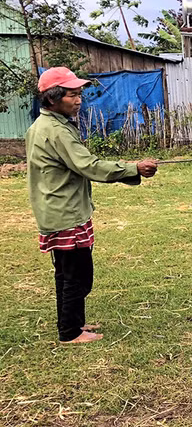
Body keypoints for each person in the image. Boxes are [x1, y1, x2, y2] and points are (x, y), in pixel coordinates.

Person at [25, 67, 158, 344]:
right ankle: (70, 333)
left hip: (58, 208)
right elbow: (88, 165)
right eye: (72, 95)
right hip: (66, 212)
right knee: (77, 275)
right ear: (52, 98)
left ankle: (74, 322)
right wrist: (133, 168)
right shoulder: (56, 131)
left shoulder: (43, 126)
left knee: (67, 273)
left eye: (79, 94)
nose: (79, 100)